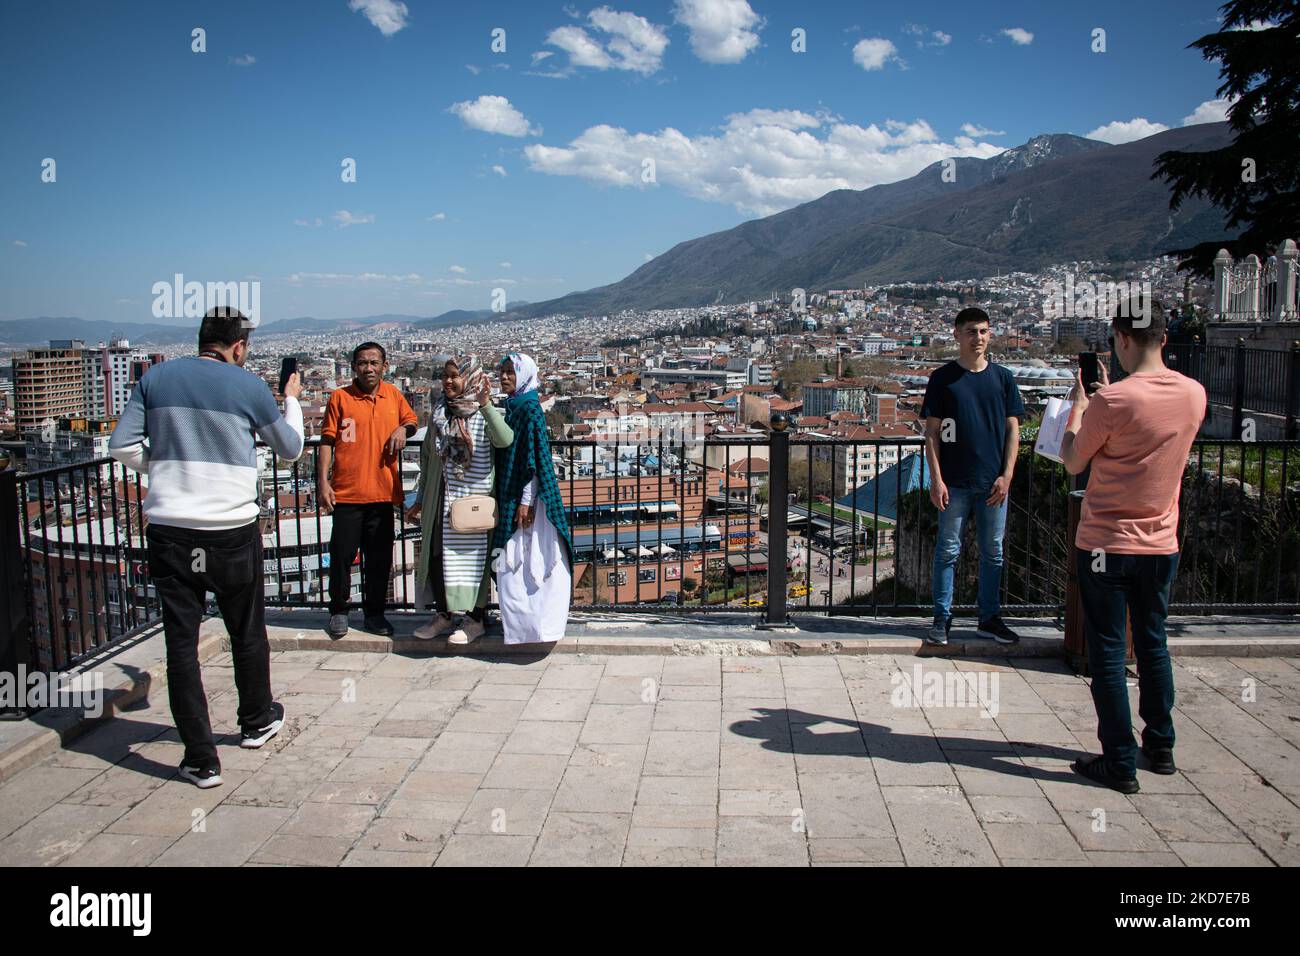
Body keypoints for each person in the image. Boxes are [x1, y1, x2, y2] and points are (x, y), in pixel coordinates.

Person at [108, 307, 302, 788]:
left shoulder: (156, 378)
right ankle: (256, 720)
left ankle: (201, 759)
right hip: (231, 530)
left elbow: (121, 446)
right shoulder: (248, 386)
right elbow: (291, 448)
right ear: (238, 346)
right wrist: (291, 400)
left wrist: (168, 469)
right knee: (246, 630)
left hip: (171, 530)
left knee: (181, 645)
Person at [1061, 301, 1206, 794]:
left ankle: (1118, 760)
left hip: (1105, 543)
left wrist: (1081, 408)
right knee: (1152, 643)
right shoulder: (1194, 395)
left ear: (1121, 339)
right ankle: (1160, 745)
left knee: (1106, 652)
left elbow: (1073, 461)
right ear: (1164, 338)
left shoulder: (1112, 402)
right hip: (1161, 543)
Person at [922, 306, 1025, 646]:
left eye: (982, 331)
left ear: (989, 334)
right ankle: (942, 617)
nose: (977, 337)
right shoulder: (943, 379)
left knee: (993, 551)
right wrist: (936, 479)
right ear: (957, 334)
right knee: (947, 551)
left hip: (993, 482)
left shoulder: (1003, 379)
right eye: (970, 331)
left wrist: (1007, 474)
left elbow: (1014, 429)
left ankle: (990, 618)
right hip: (954, 482)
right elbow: (932, 433)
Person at [405, 355, 513, 645]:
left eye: (455, 375)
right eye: (445, 375)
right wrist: (419, 498)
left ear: (470, 378)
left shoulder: (483, 413)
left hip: (474, 501)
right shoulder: (439, 413)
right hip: (439, 498)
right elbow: (428, 458)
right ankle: (443, 614)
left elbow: (505, 440)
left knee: (474, 558)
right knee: (438, 556)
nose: (448, 381)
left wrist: (487, 404)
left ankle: (475, 619)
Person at [318, 342, 417, 639]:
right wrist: (322, 482)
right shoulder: (340, 398)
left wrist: (402, 430)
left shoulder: (394, 396)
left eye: (374, 363)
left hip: (383, 494)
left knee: (379, 559)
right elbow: (327, 441)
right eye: (363, 363)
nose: (369, 368)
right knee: (342, 556)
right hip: (347, 493)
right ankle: (338, 610)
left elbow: (412, 421)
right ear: (353, 367)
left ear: (385, 367)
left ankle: (375, 614)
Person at [493, 353, 574, 644]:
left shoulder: (527, 407)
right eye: (501, 372)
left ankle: (537, 627)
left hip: (529, 500)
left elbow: (533, 458)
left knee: (528, 560)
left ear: (524, 374)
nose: (503, 377)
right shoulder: (515, 404)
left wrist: (526, 501)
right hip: (520, 495)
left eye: (510, 372)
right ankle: (526, 628)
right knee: (522, 562)